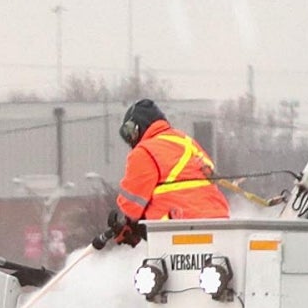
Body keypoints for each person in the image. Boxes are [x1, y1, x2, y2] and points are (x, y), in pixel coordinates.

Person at [95, 99, 229, 246]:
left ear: (141, 125)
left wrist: (129, 224)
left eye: (130, 131)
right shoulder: (186, 141)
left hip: (177, 227)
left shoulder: (144, 151)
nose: (130, 139)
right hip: (219, 223)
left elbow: (131, 205)